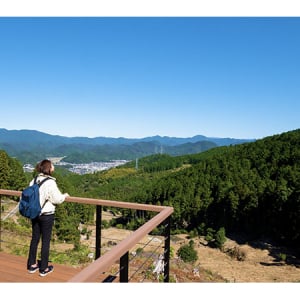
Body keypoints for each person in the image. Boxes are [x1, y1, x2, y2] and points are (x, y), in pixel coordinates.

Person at [27, 159, 69, 277]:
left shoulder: (34, 180)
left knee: (35, 239)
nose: (54, 167)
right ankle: (44, 268)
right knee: (45, 241)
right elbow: (57, 199)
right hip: (46, 215)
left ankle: (31, 265)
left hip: (35, 213)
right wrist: (65, 196)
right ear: (49, 168)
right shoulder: (50, 182)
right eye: (52, 166)